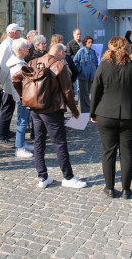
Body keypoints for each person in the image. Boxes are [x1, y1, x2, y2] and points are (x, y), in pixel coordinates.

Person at [90, 37, 132, 199]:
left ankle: (109, 188)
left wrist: (93, 113)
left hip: (105, 113)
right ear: (127, 49)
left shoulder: (103, 66)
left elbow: (95, 91)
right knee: (127, 151)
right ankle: (126, 189)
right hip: (130, 115)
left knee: (108, 152)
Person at [23, 43, 87, 189]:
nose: (65, 56)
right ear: (59, 53)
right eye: (64, 53)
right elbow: (67, 92)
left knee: (39, 142)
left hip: (35, 108)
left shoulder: (32, 62)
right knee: (59, 143)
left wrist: (24, 97)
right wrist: (75, 112)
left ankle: (42, 176)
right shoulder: (60, 66)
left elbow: (16, 78)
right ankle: (68, 177)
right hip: (51, 109)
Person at [5, 38, 34, 158]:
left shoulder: (20, 61)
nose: (28, 48)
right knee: (23, 121)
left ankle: (21, 143)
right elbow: (19, 83)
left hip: (22, 95)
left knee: (23, 120)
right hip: (23, 96)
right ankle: (19, 148)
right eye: (26, 47)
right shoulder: (17, 64)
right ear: (20, 50)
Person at [0, 23, 23, 144]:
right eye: (18, 31)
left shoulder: (10, 44)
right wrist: (1, 82)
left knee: (9, 108)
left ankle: (5, 132)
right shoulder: (7, 45)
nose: (20, 33)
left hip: (10, 81)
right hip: (7, 82)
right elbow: (1, 66)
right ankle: (2, 135)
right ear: (13, 32)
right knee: (7, 108)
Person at [73, 36, 98, 113]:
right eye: (89, 42)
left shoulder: (93, 52)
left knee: (87, 94)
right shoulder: (81, 51)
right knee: (83, 94)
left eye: (91, 42)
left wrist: (95, 71)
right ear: (85, 43)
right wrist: (80, 69)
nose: (90, 44)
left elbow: (96, 63)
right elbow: (75, 61)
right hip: (83, 76)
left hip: (91, 76)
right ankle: (86, 110)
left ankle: (81, 110)